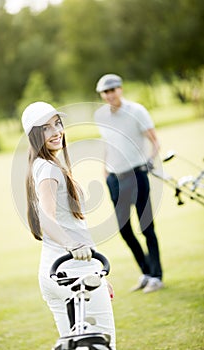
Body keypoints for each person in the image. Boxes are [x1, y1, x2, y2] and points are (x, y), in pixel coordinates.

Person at [21, 101, 116, 348]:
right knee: (103, 346)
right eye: (45, 128)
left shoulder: (42, 165)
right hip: (73, 273)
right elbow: (46, 217)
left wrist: (96, 272)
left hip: (55, 273)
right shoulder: (49, 169)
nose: (56, 132)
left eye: (57, 123)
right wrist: (72, 245)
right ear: (33, 136)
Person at [94, 74, 163, 293]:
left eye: (112, 90)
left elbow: (154, 140)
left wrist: (150, 160)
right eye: (105, 92)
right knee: (124, 230)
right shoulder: (100, 115)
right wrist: (105, 171)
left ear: (120, 90)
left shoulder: (137, 110)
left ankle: (156, 276)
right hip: (115, 178)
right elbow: (107, 143)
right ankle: (145, 271)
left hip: (137, 174)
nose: (109, 95)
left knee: (146, 227)